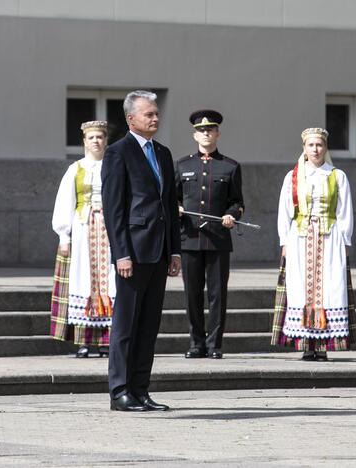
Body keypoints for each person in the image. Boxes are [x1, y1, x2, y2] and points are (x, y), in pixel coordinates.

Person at [101, 90, 181, 412]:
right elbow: (114, 209)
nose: (155, 118)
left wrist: (174, 250)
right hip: (132, 253)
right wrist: (121, 253)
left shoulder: (162, 152)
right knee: (126, 326)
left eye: (157, 113)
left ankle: (140, 389)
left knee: (148, 325)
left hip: (159, 251)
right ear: (131, 118)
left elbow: (170, 208)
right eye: (149, 114)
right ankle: (120, 391)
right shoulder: (118, 153)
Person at [271, 127, 355, 361]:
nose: (315, 149)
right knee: (301, 289)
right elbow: (284, 210)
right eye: (311, 145)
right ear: (304, 148)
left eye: (319, 145)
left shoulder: (337, 176)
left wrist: (345, 240)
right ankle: (306, 343)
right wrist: (284, 240)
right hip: (300, 238)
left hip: (329, 238)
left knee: (329, 288)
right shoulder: (294, 176)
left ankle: (324, 343)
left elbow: (344, 210)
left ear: (325, 148)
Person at [175, 109, 244, 360]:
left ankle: (214, 344)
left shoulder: (230, 166)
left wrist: (231, 215)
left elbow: (237, 202)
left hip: (217, 239)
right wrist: (177, 208)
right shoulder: (182, 165)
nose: (206, 133)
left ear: (218, 133)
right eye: (201, 130)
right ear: (195, 135)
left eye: (210, 129)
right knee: (192, 294)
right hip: (190, 239)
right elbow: (173, 199)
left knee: (217, 295)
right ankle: (196, 343)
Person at [50, 120, 116, 358]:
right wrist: (63, 236)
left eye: (100, 137)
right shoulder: (76, 169)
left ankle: (109, 340)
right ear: (84, 142)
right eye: (91, 138)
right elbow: (64, 201)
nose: (96, 141)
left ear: (106, 140)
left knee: (109, 280)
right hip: (82, 229)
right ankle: (84, 341)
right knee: (83, 280)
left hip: (110, 230)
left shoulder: (115, 166)